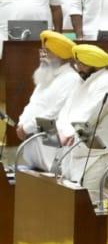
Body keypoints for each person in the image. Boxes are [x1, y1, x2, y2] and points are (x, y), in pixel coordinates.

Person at [56, 44, 108, 207]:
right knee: (73, 205)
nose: (78, 68)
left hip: (98, 156)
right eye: (77, 63)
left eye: (82, 64)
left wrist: (67, 132)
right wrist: (61, 130)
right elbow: (65, 111)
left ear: (93, 64)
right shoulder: (82, 82)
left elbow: (89, 115)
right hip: (75, 151)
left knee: (92, 204)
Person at [16, 31, 81, 171]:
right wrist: (21, 123)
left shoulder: (71, 78)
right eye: (42, 51)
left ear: (60, 55)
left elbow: (54, 112)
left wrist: (26, 128)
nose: (42, 55)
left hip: (51, 149)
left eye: (47, 51)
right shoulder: (46, 75)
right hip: (32, 144)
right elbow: (33, 104)